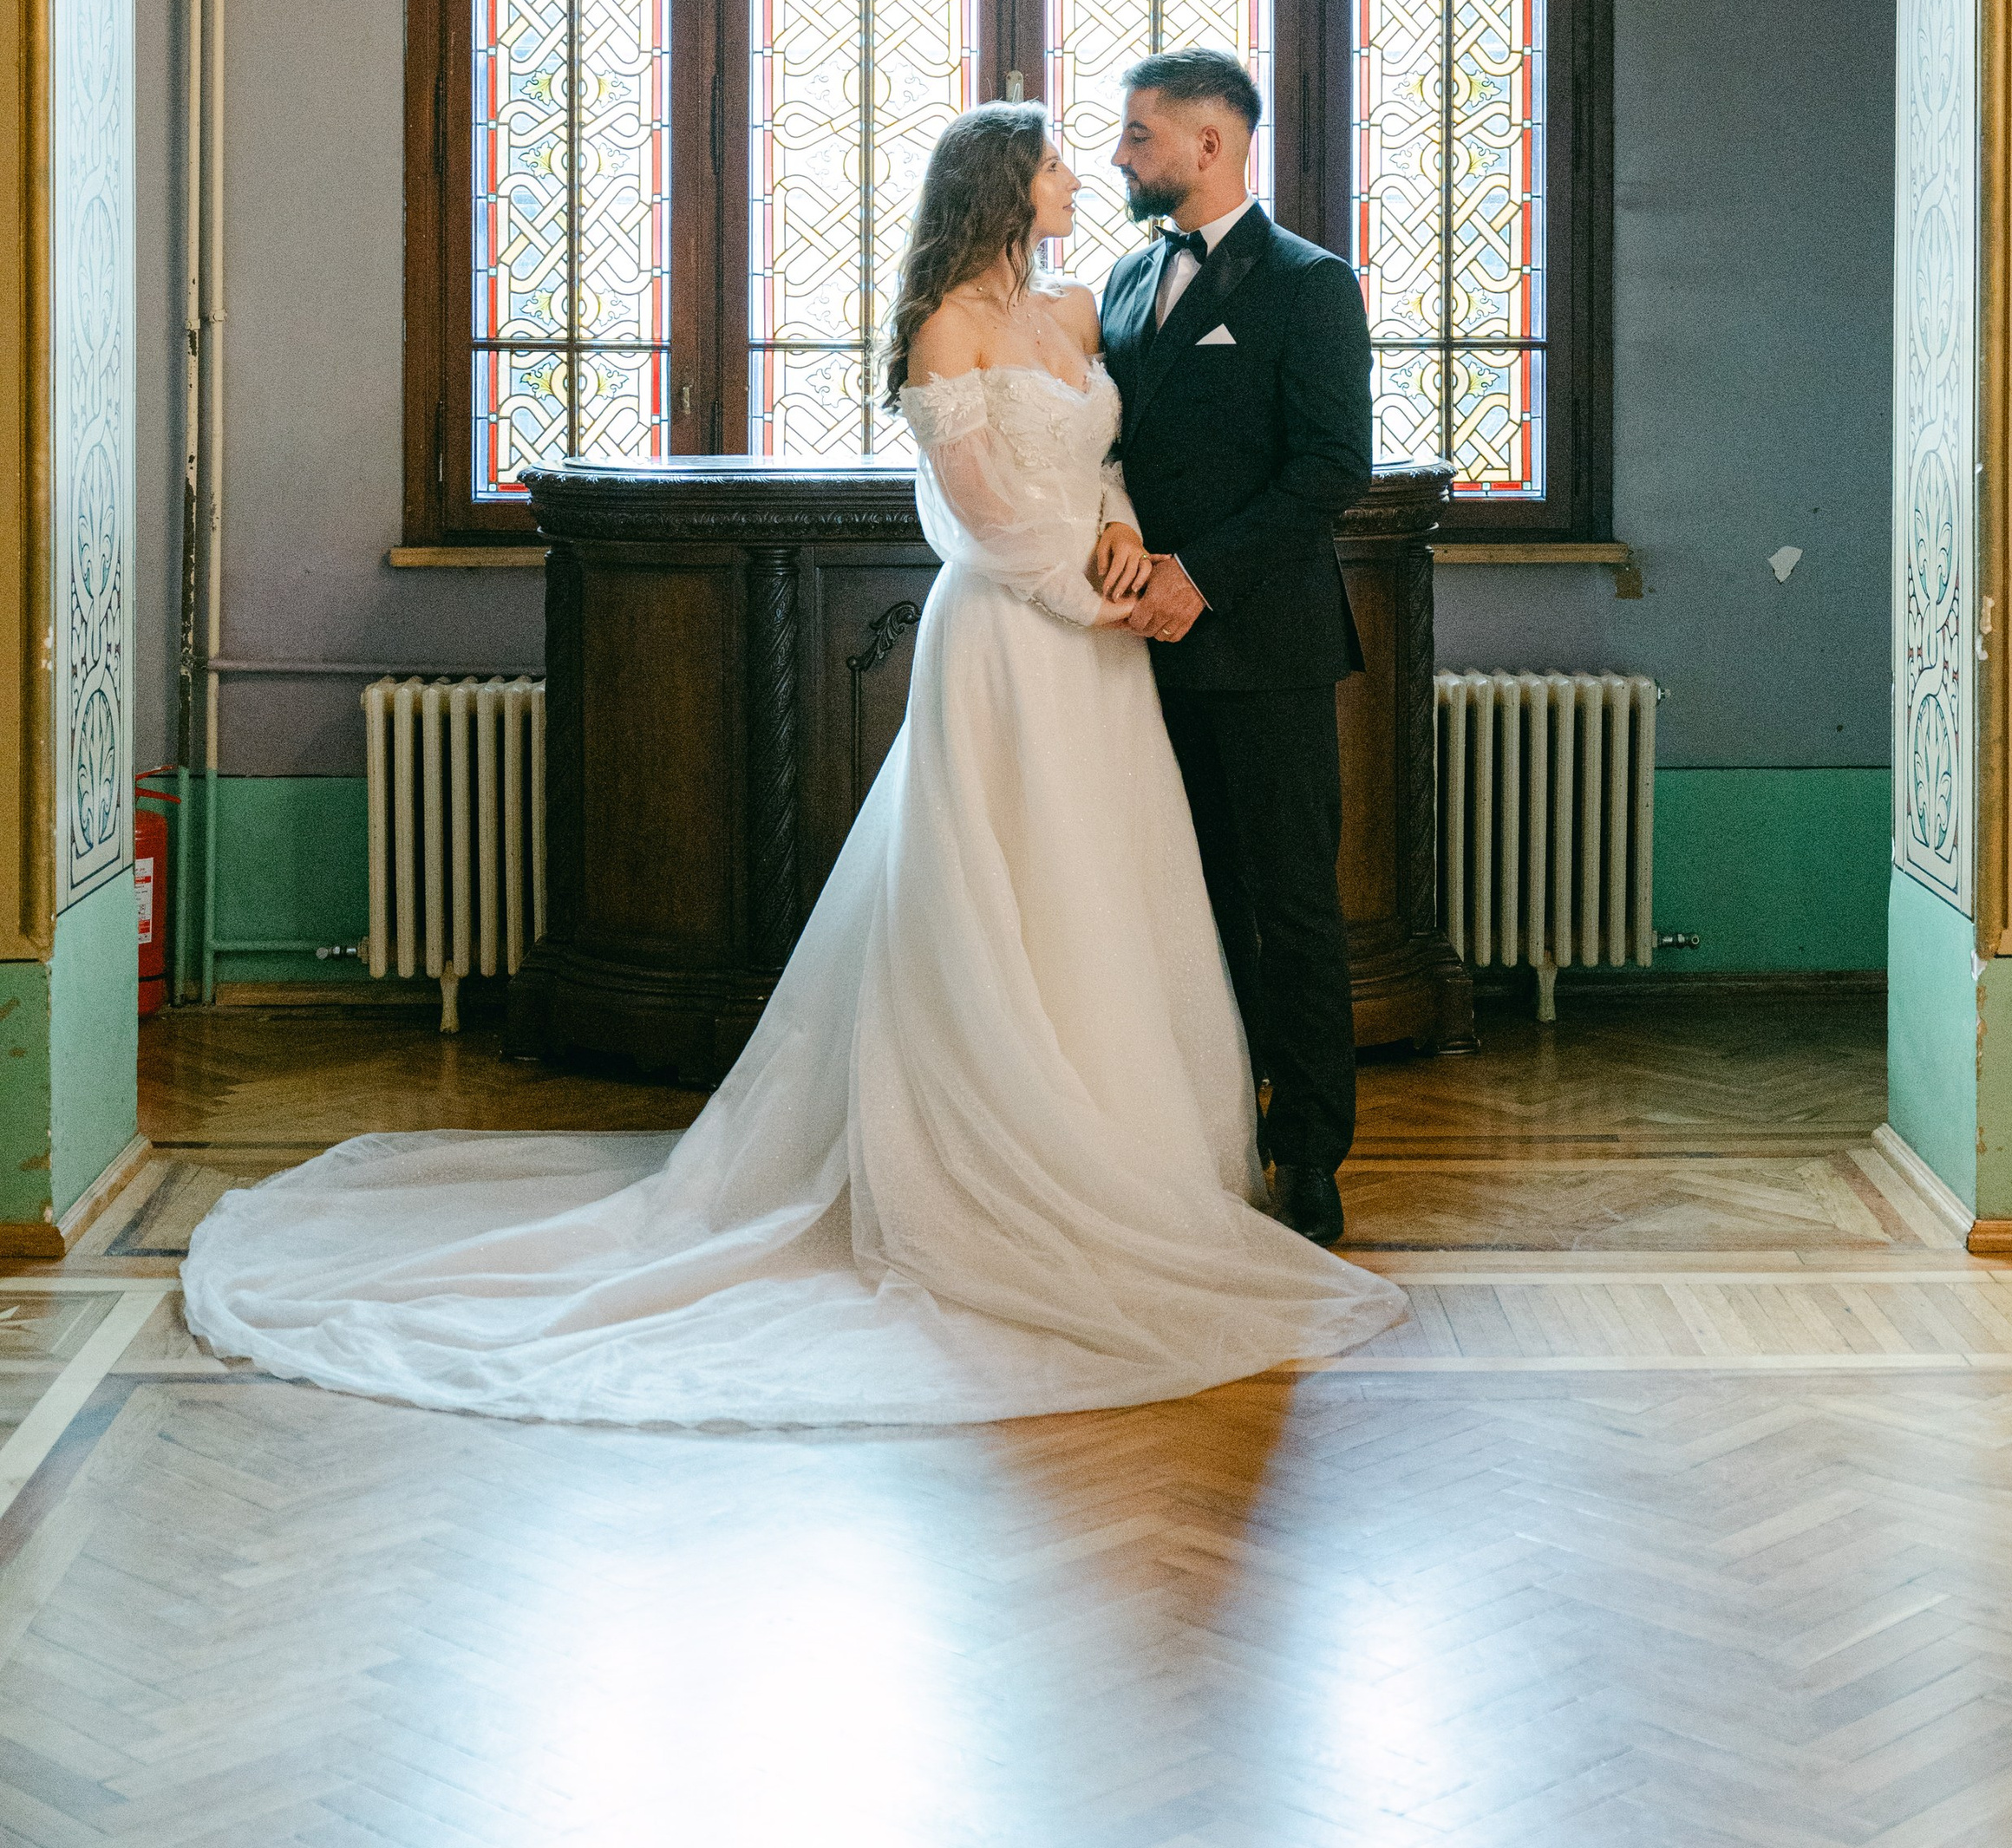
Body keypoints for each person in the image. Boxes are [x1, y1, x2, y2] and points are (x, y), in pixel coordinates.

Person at [180, 103, 1402, 1426]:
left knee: (1117, 893)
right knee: (1005, 891)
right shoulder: (951, 323)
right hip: (1018, 639)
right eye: (1058, 160)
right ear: (1002, 187)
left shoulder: (1082, 308)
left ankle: (1136, 1145)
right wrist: (1104, 591)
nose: (1086, 172)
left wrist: (1125, 542)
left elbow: (1113, 465)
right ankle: (992, 1157)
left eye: (1115, 141)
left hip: (1112, 655)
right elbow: (984, 516)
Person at [1097, 52, 1373, 1250]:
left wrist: (1198, 579)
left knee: (1291, 909)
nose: (1120, 155)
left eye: (1140, 135)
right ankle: (1196, 1140)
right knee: (1180, 905)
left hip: (1263, 648)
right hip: (1131, 656)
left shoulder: (1310, 286)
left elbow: (1330, 468)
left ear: (1212, 145)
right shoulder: (1120, 278)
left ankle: (1308, 1155)